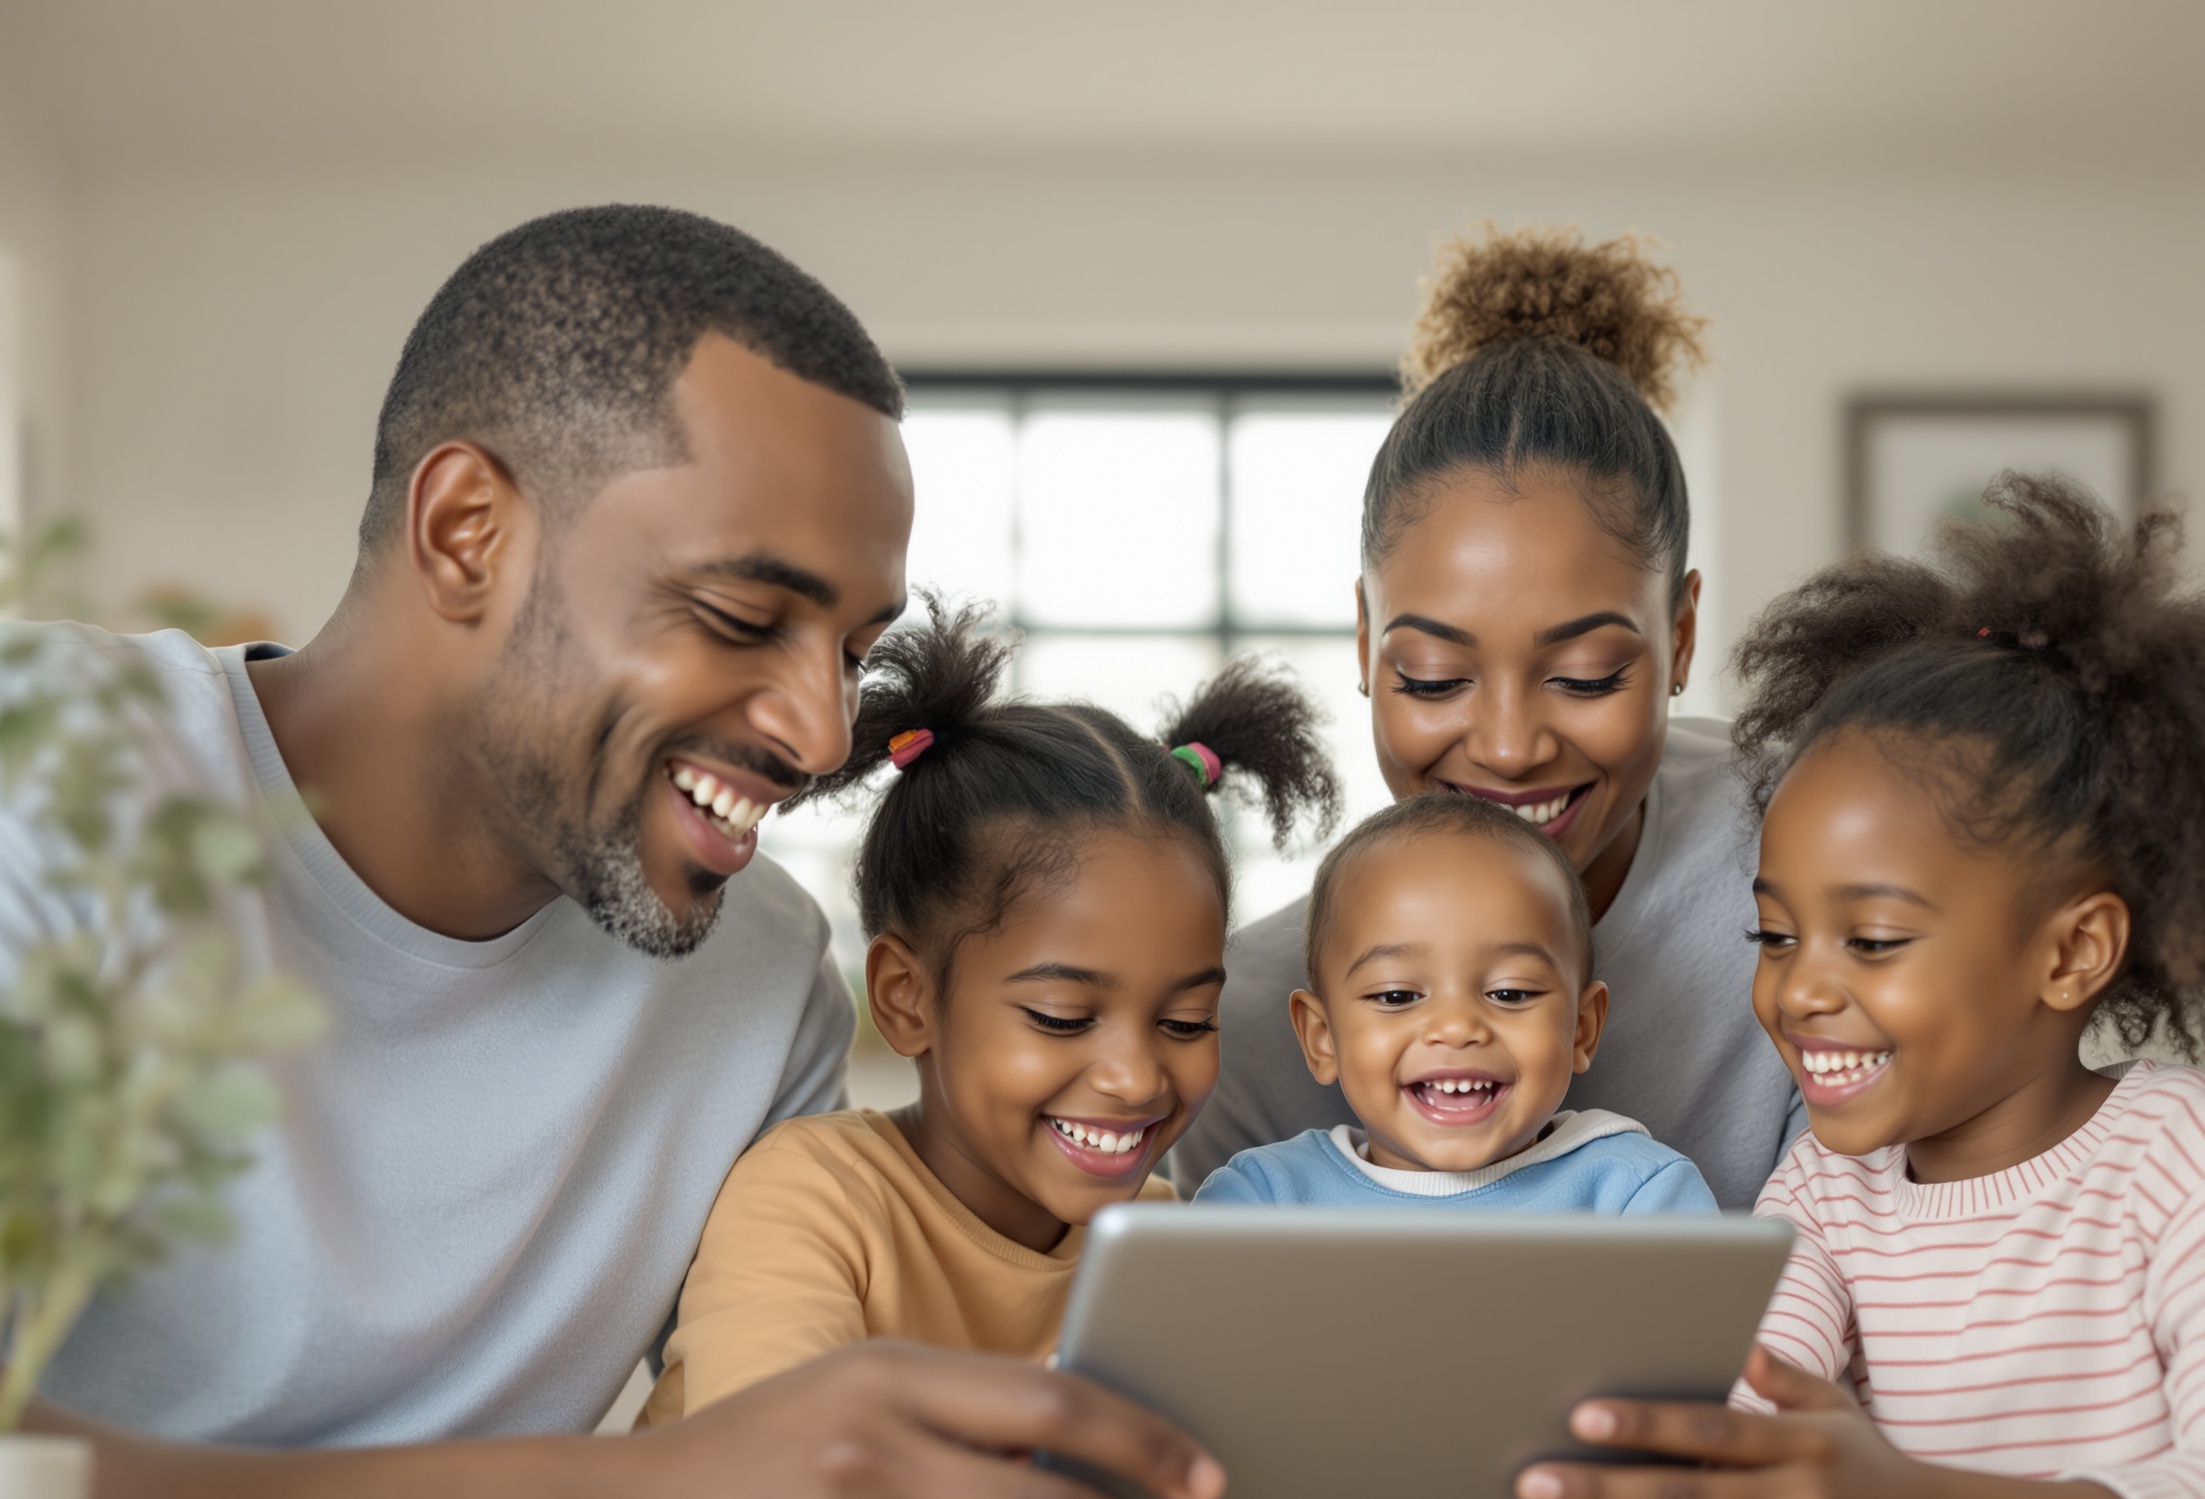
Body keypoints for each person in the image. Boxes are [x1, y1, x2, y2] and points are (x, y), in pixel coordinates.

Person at [8, 206, 1230, 1499]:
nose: (821, 731)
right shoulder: (48, 781)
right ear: (469, 533)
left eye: (849, 650)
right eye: (739, 613)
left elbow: (753, 1482)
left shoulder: (756, 974)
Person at [1512, 475, 2205, 1499]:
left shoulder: (2195, 1165)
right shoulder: (1824, 1189)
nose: (1800, 986)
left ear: (2071, 953)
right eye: (1774, 932)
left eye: (1871, 938)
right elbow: (1749, 1404)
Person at [1178, 226, 1799, 1209]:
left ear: (1679, 636)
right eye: (1431, 678)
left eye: (1587, 675)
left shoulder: (1812, 851)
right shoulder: (1252, 1020)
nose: (1509, 749)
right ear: (1362, 641)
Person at [646, 602, 1337, 1417]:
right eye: (1062, 1016)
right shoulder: (814, 1196)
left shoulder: (1164, 1240)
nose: (1134, 1076)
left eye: (1185, 1022)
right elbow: (781, 1475)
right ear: (908, 999)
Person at [1193, 793, 1714, 1213]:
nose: (1457, 1027)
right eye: (1397, 996)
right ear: (1321, 1038)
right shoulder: (1261, 1201)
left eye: (1509, 993)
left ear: (1581, 1029)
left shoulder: (1638, 1196)